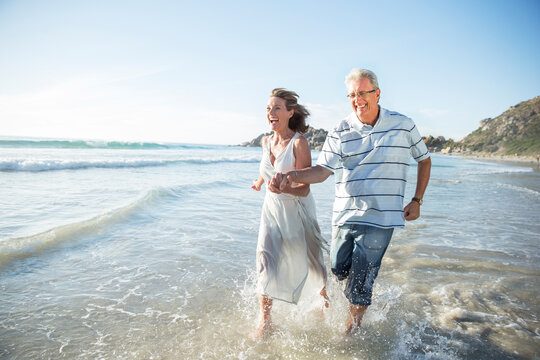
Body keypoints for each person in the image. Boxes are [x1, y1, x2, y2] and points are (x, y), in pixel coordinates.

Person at [269, 69, 432, 335]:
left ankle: (352, 330)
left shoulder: (403, 124)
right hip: (346, 214)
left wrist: (417, 200)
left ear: (377, 93)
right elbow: (322, 171)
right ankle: (358, 296)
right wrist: (291, 176)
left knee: (361, 278)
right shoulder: (341, 129)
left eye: (363, 93)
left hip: (382, 217)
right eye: (352, 94)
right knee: (337, 267)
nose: (358, 99)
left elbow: (424, 159)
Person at [252, 88, 329, 338]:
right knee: (265, 260)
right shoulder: (266, 141)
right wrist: (261, 182)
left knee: (314, 264)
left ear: (289, 112)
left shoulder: (299, 142)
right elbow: (269, 170)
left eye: (276, 108)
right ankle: (265, 321)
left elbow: (305, 188)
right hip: (271, 212)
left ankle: (325, 304)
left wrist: (286, 187)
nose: (270, 113)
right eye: (268, 109)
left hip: (298, 211)